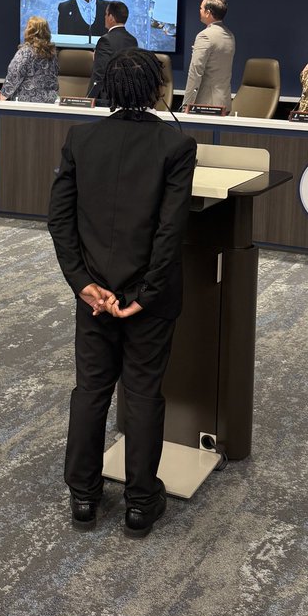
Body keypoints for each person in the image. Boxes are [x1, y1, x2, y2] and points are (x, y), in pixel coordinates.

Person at [48, 50, 197, 539]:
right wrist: (145, 295)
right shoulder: (176, 146)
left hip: (93, 297)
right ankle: (139, 503)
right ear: (159, 89)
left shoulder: (81, 138)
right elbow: (169, 232)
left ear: (105, 89)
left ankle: (84, 497)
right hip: (146, 302)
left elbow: (60, 220)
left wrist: (83, 283)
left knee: (91, 392)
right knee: (143, 394)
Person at [181, 0, 235, 113]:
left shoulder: (205, 36)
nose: (199, 11)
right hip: (223, 102)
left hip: (205, 104)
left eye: (201, 8)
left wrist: (186, 105)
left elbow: (195, 72)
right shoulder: (230, 35)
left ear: (208, 12)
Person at [0, 16, 59, 103]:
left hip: (27, 102)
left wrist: (2, 97)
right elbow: (55, 77)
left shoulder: (25, 52)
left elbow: (14, 75)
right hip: (49, 101)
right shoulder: (52, 54)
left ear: (29, 31)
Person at [86, 1, 138, 103]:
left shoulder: (105, 41)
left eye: (106, 14)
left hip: (106, 100)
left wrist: (89, 99)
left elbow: (99, 75)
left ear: (111, 17)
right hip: (126, 99)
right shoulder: (133, 40)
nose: (105, 17)